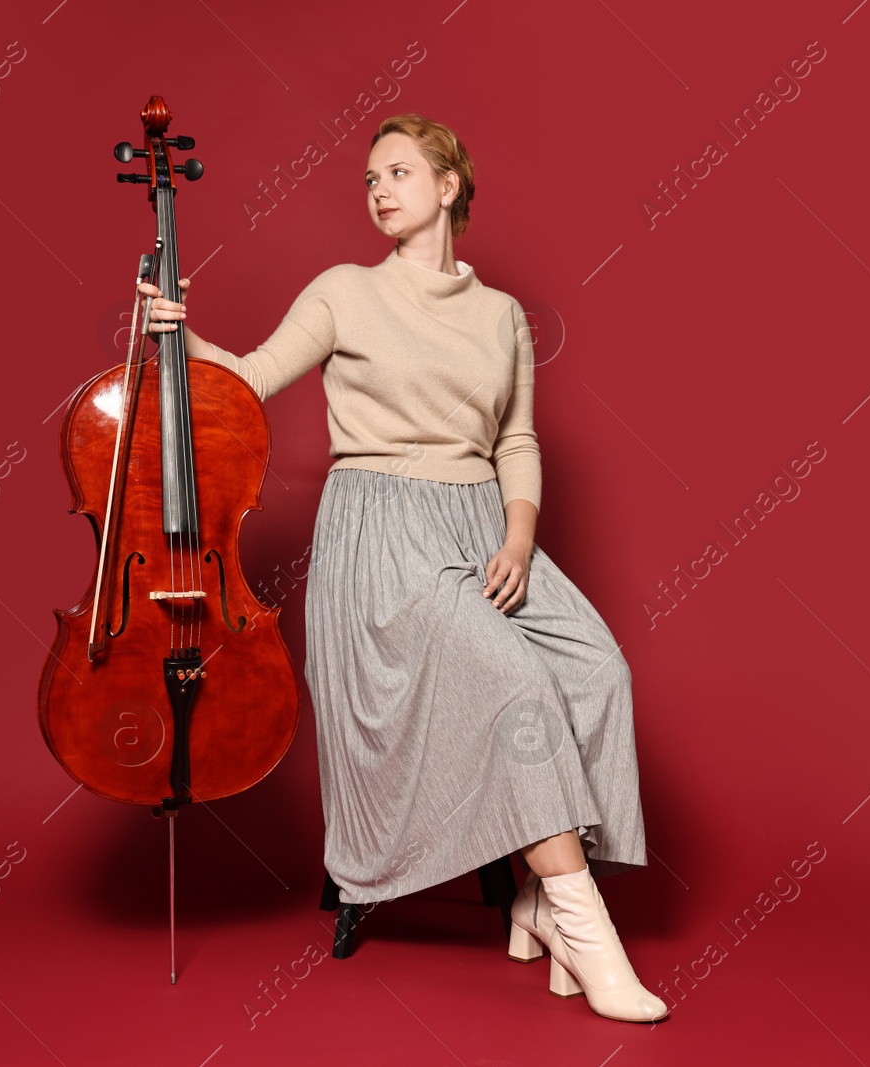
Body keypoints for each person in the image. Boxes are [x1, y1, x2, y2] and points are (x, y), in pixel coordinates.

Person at [137, 114, 668, 1024]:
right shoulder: (345, 290)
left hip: (484, 527)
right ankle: (590, 933)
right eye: (369, 179)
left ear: (448, 186)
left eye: (397, 172)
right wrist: (179, 335)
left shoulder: (503, 317)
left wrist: (518, 534)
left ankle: (538, 905)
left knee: (599, 669)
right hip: (382, 533)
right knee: (517, 689)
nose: (378, 189)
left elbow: (518, 440)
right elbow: (254, 376)